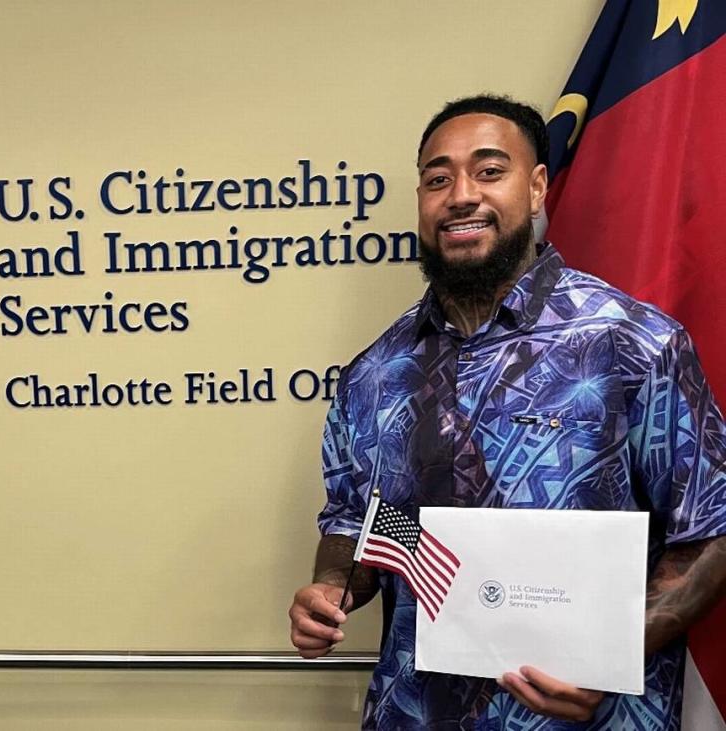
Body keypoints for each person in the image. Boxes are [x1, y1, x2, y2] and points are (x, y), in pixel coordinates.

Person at [288, 94, 726, 729]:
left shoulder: (631, 344)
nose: (461, 194)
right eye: (438, 178)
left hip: (585, 719)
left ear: (538, 186)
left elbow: (710, 528)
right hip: (414, 713)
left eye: (489, 171)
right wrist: (332, 589)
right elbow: (365, 523)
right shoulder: (374, 373)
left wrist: (612, 655)